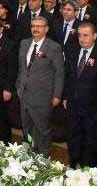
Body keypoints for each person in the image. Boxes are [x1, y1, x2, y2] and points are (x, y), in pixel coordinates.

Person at [16, 16, 65, 156]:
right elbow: (21, 68)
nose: (35, 29)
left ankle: (43, 158)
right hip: (24, 94)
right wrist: (19, 85)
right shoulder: (24, 43)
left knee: (42, 130)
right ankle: (28, 155)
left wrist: (57, 95)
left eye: (39, 26)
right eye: (33, 26)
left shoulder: (54, 47)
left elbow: (60, 73)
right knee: (26, 128)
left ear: (46, 29)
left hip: (43, 96)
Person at [63, 23, 97, 168]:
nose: (82, 39)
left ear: (94, 36)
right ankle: (73, 166)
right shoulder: (72, 50)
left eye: (85, 35)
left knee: (90, 143)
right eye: (79, 35)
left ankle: (88, 172)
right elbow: (68, 75)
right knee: (73, 139)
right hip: (73, 105)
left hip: (92, 109)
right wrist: (66, 96)